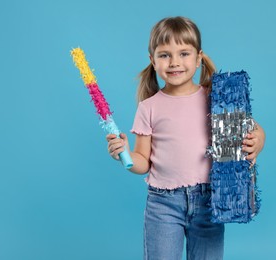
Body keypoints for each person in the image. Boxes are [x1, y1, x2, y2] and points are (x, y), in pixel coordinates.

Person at [106, 16, 265, 260]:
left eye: (183, 53)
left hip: (209, 199)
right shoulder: (149, 107)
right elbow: (142, 162)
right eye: (164, 55)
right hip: (163, 204)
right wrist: (124, 154)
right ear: (153, 61)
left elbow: (254, 128)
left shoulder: (217, 97)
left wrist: (259, 140)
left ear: (199, 58)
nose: (174, 62)